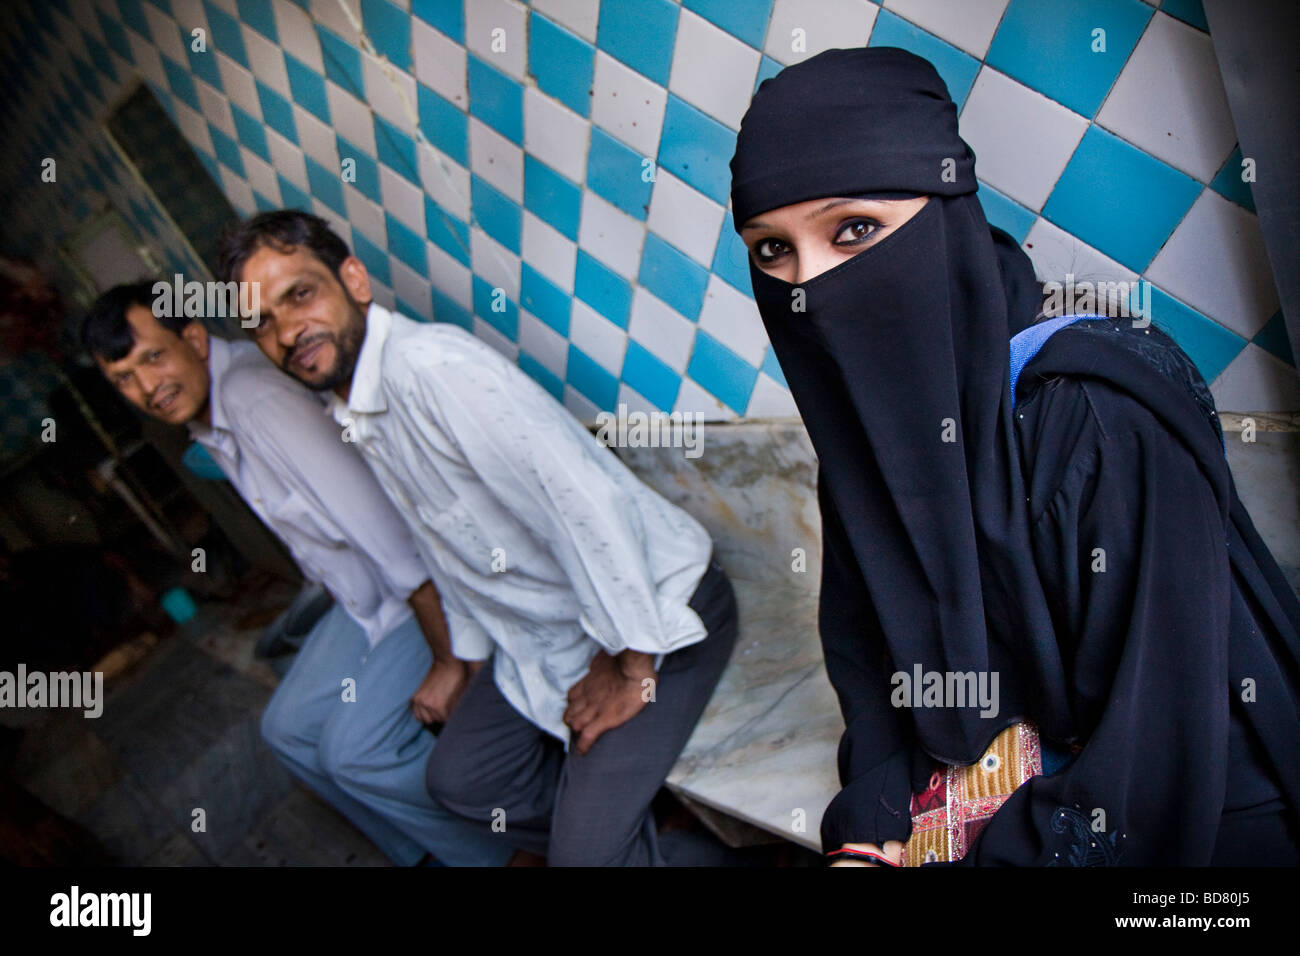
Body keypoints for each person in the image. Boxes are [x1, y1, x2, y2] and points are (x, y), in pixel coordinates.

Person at [728, 47, 1300, 866]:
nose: (808, 290)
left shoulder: (1096, 412)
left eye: (854, 229)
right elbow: (874, 665)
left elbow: (1159, 749)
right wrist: (870, 824)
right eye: (771, 251)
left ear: (948, 210)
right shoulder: (869, 432)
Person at [219, 210, 740, 866]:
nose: (287, 331)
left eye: (299, 294)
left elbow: (584, 506)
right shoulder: (359, 409)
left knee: (586, 858)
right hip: (548, 641)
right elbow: (449, 551)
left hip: (655, 615)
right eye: (260, 323)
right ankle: (648, 837)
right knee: (460, 781)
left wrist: (631, 662)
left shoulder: (432, 370)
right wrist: (459, 662)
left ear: (352, 279)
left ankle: (643, 846)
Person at [81, 283, 513, 867]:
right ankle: (424, 853)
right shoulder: (212, 417)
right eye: (124, 380)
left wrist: (447, 660)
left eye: (153, 358)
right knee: (286, 731)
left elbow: (395, 543)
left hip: (422, 594)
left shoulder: (258, 403)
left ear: (192, 339)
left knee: (354, 752)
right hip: (363, 603)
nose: (147, 389)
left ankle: (505, 850)